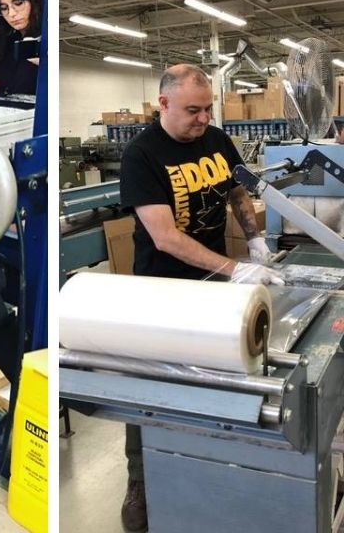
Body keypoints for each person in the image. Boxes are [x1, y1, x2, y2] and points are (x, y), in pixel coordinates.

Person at [118, 64, 284, 532]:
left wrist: (255, 240)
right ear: (163, 103)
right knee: (148, 387)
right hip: (163, 288)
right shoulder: (142, 155)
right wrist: (238, 268)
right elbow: (166, 238)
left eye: (208, 108)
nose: (204, 118)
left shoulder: (215, 140)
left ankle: (210, 465)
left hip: (213, 282)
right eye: (193, 110)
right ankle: (141, 482)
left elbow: (235, 191)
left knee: (215, 375)